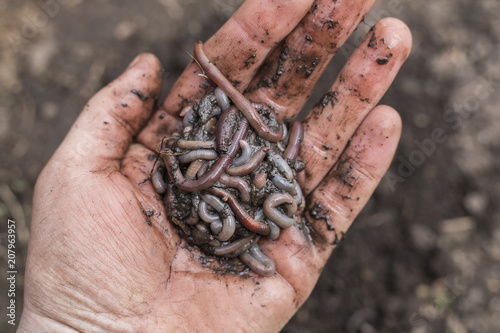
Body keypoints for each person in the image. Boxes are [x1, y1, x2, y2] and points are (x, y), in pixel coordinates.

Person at [19, 0, 412, 331]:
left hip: (229, 166)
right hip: (222, 169)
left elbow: (238, 174)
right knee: (229, 172)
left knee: (234, 171)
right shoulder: (209, 175)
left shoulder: (232, 178)